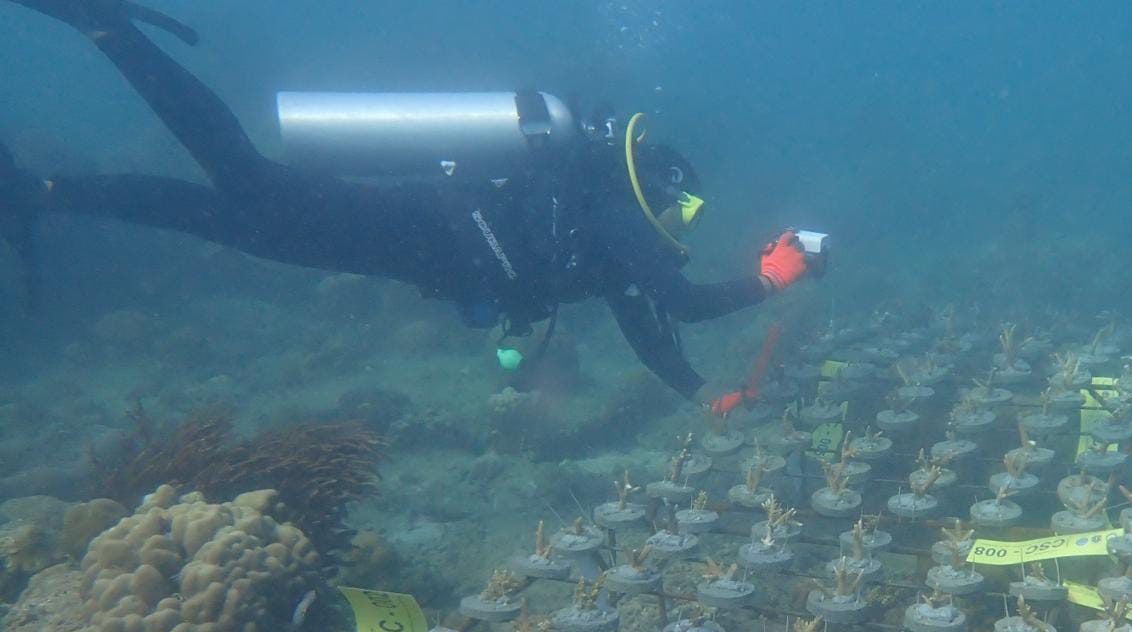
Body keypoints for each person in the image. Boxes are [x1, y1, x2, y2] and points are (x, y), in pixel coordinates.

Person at [0, 0, 812, 413]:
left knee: (235, 217)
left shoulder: (599, 233)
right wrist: (771, 282)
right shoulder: (608, 211)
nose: (685, 224)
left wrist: (700, 391)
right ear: (657, 184)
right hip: (407, 229)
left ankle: (43, 194)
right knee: (243, 185)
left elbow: (645, 320)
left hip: (407, 242)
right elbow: (678, 301)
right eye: (687, 207)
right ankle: (108, 31)